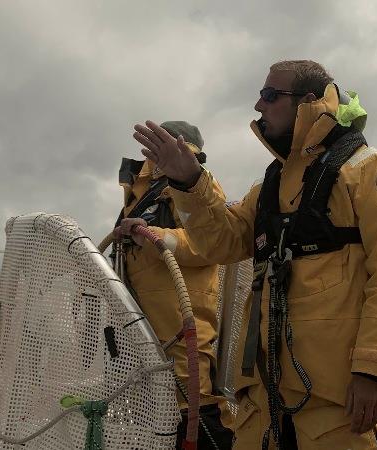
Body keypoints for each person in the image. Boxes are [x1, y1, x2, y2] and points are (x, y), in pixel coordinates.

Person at [119, 60, 377, 449]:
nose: (259, 107)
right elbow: (221, 242)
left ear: (308, 102)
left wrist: (374, 370)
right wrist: (189, 181)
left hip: (337, 399)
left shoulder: (369, 169)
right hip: (263, 397)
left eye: (269, 96)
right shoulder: (270, 184)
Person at [112, 120, 234, 449]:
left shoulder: (196, 189)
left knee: (194, 414)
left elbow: (209, 243)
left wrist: (157, 238)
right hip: (139, 339)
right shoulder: (139, 193)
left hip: (182, 334)